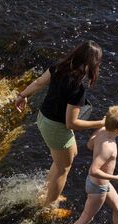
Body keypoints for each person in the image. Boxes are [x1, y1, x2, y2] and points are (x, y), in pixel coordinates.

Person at [15, 41, 106, 208]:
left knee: (67, 157)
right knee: (63, 168)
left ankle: (47, 190)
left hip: (43, 118)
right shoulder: (77, 87)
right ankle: (49, 205)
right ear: (93, 63)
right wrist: (101, 123)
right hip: (56, 127)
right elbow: (71, 123)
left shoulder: (58, 67)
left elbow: (39, 83)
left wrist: (22, 95)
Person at [57, 106, 118, 224]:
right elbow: (94, 170)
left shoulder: (102, 132)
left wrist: (97, 132)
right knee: (86, 218)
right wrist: (115, 177)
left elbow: (90, 145)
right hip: (98, 187)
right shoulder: (108, 147)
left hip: (102, 183)